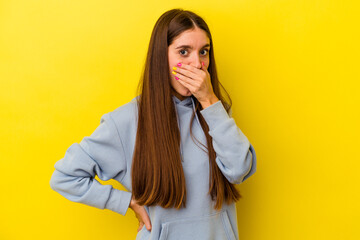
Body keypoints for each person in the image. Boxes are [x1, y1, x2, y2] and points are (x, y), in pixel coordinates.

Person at [50, 8, 257, 240]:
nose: (197, 64)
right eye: (184, 51)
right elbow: (65, 176)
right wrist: (125, 201)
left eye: (204, 52)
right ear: (161, 56)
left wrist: (209, 101)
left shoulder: (216, 112)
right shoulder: (126, 121)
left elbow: (240, 169)